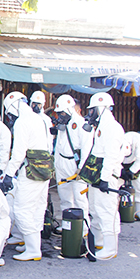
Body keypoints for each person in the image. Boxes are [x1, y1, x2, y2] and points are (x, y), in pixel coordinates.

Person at [0, 91, 54, 261]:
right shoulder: (40, 118)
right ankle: (33, 244)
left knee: (22, 209)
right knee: (37, 208)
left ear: (14, 106)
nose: (10, 117)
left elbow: (18, 153)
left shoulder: (23, 121)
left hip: (30, 171)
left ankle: (32, 249)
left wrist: (8, 175)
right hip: (45, 170)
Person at [80, 92, 125, 259]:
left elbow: (111, 155)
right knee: (96, 209)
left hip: (107, 176)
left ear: (101, 108)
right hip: (98, 176)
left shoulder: (112, 128)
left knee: (107, 211)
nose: (90, 114)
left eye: (92, 110)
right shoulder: (102, 127)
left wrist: (105, 179)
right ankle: (98, 242)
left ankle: (111, 248)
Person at [53, 94, 92, 234]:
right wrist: (56, 164)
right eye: (59, 114)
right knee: (64, 197)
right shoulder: (63, 125)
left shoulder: (81, 124)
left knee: (80, 198)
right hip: (62, 164)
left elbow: (87, 148)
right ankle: (67, 224)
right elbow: (58, 146)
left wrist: (82, 168)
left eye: (62, 113)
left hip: (75, 165)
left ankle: (84, 227)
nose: (60, 116)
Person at [122, 131, 140, 221]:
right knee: (116, 187)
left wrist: (132, 171)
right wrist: (120, 170)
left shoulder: (137, 138)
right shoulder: (118, 140)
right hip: (121, 165)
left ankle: (139, 212)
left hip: (136, 164)